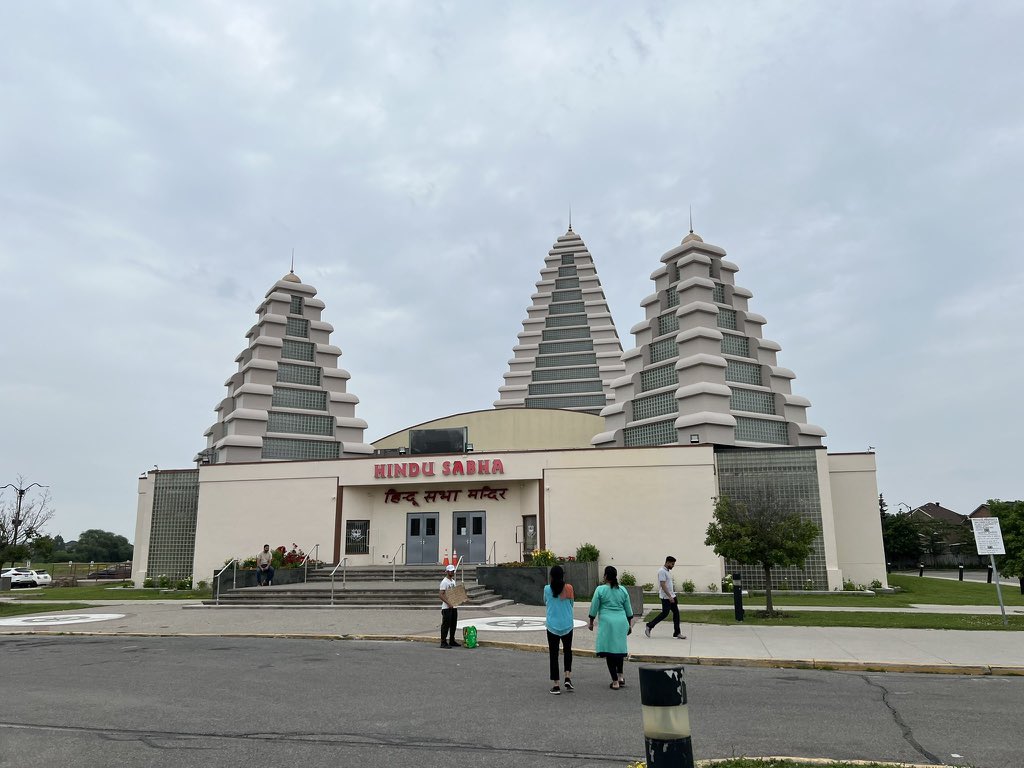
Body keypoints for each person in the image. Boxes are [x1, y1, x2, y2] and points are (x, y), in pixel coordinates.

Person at [588, 565, 633, 690]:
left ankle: (615, 682)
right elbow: (628, 609)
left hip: (607, 622)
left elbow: (594, 606)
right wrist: (629, 624)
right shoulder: (623, 590)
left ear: (606, 576)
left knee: (609, 652)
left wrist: (591, 621)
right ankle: (621, 676)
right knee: (618, 650)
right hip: (621, 621)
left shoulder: (600, 590)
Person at [543, 564, 576, 695]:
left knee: (553, 654)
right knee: (568, 651)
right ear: (562, 575)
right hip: (567, 624)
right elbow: (572, 604)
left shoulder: (547, 589)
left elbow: (545, 601)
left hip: (552, 625)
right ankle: (567, 676)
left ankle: (556, 684)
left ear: (551, 576)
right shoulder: (569, 588)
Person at [645, 555, 685, 639]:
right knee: (664, 614)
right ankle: (649, 626)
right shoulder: (662, 571)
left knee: (676, 614)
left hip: (672, 596)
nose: (673, 566)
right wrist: (669, 596)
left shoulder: (667, 571)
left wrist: (672, 595)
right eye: (672, 564)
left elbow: (668, 584)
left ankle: (677, 633)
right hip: (666, 597)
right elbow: (663, 585)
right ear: (667, 562)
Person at [438, 564, 461, 648]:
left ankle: (452, 640)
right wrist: (448, 603)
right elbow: (441, 595)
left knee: (453, 624)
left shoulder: (453, 581)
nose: (452, 572)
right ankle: (443, 642)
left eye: (453, 571)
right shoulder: (444, 582)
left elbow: (454, 593)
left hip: (454, 606)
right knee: (445, 625)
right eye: (450, 571)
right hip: (446, 608)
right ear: (447, 572)